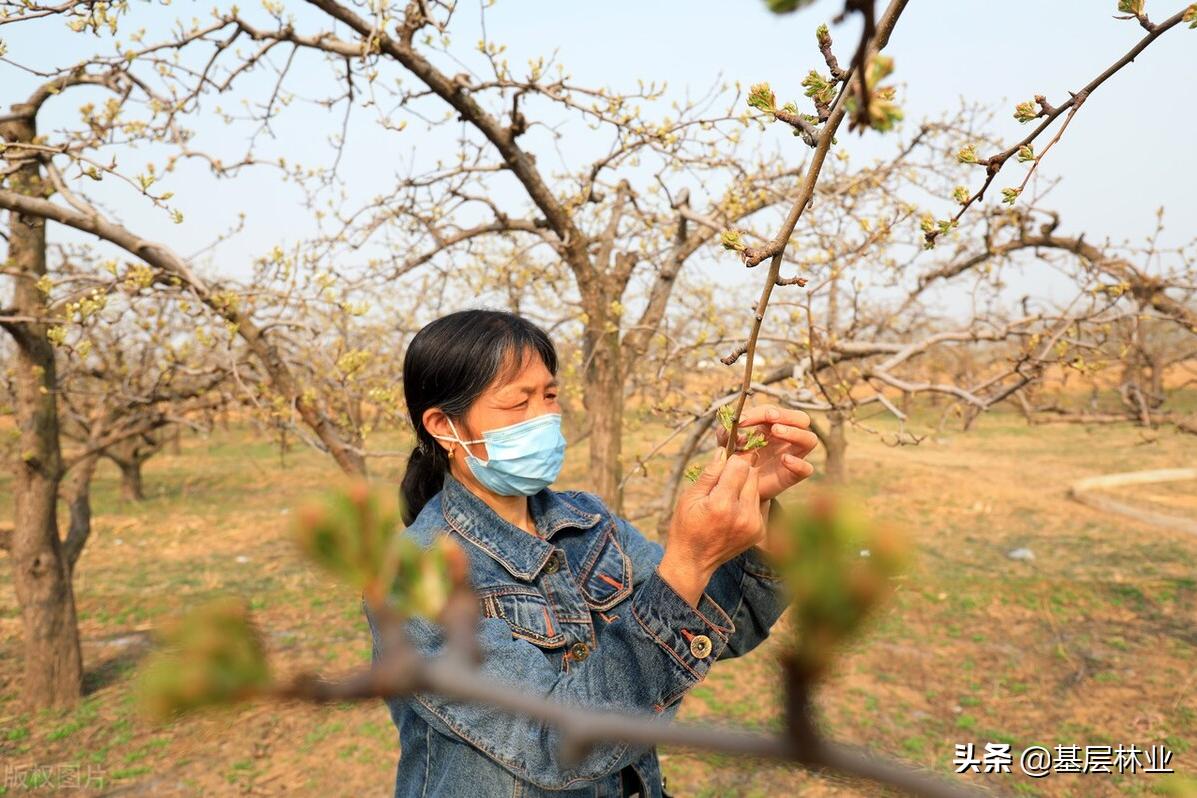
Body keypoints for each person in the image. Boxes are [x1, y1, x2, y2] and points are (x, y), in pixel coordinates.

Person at [363, 309, 818, 797]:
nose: (543, 418)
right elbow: (553, 743)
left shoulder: (588, 523)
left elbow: (726, 627)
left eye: (550, 395)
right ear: (443, 426)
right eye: (518, 402)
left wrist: (757, 498)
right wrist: (688, 561)